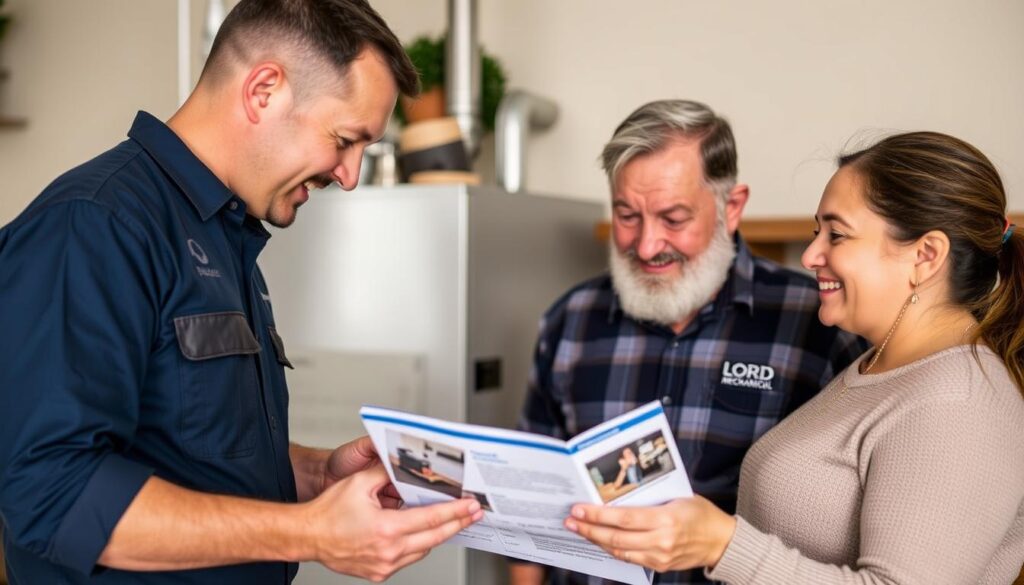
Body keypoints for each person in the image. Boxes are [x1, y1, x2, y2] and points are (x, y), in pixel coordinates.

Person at [0, 1, 483, 584]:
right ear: (263, 91)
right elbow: (51, 493)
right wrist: (310, 532)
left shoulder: (225, 235)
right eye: (344, 139)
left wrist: (314, 476)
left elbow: (184, 450)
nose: (349, 176)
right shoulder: (94, 225)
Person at [565, 131, 1024, 584]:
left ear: (925, 255)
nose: (810, 256)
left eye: (836, 235)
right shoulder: (879, 366)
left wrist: (723, 546)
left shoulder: (956, 402)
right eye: (815, 232)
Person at [510, 99, 866, 585]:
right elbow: (529, 503)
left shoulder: (818, 324)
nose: (647, 245)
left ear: (731, 207)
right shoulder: (569, 320)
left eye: (673, 219)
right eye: (627, 215)